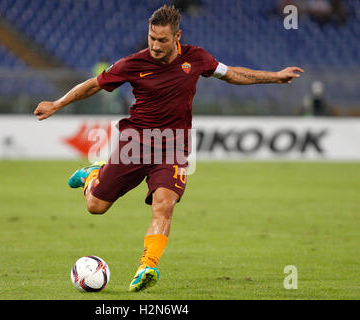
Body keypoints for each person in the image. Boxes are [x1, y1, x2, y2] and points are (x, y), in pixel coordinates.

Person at [34, 5, 303, 292]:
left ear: (177, 37)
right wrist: (57, 104)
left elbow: (232, 74)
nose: (155, 45)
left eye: (162, 40)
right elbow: (93, 85)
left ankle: (147, 266)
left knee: (165, 205)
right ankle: (92, 176)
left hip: (173, 147)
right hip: (134, 143)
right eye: (151, 38)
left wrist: (274, 76)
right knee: (95, 207)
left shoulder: (197, 58)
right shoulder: (133, 64)